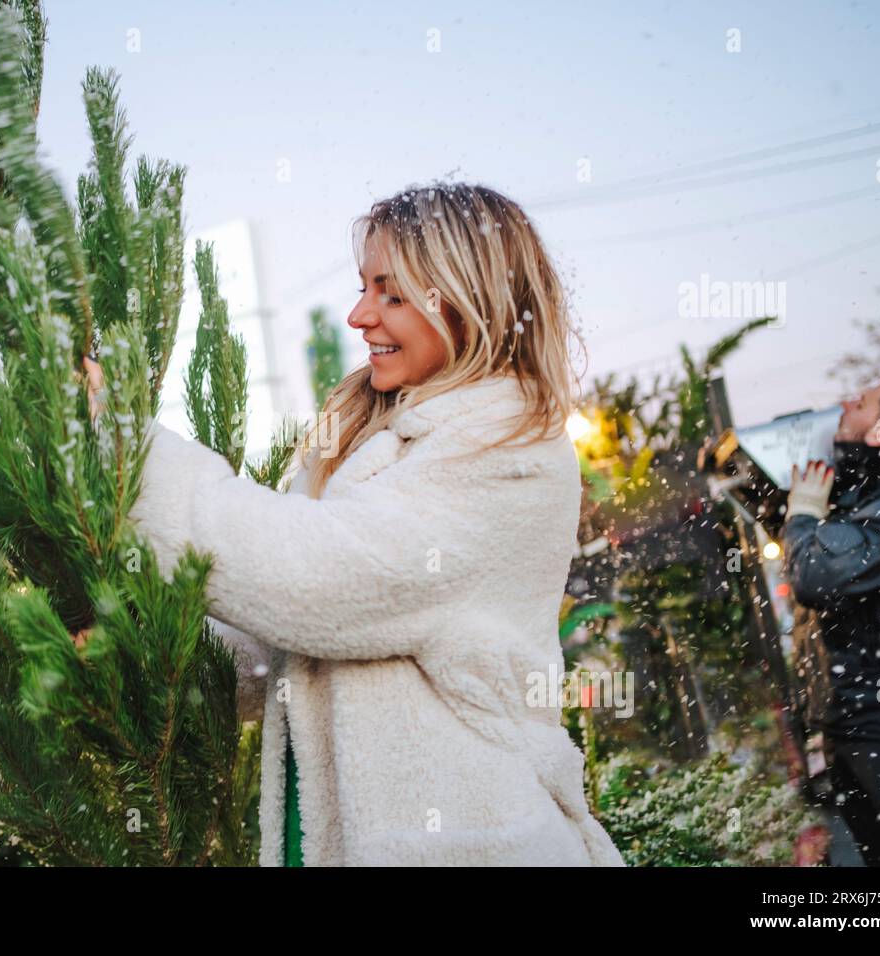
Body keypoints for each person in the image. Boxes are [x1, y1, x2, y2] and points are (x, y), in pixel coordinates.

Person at [84, 182, 623, 867]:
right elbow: (271, 648)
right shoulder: (372, 442)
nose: (358, 314)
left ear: (469, 298)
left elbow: (316, 582)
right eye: (363, 287)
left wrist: (126, 449)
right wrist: (121, 644)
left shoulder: (509, 451)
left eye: (390, 293)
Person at [783, 374, 880, 865]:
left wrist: (804, 515)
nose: (846, 403)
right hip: (868, 730)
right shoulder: (876, 497)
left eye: (865, 401)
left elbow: (815, 572)